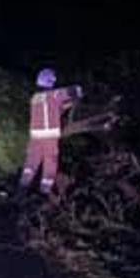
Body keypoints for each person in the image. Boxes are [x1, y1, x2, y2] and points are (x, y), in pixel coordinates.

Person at [17, 67, 81, 195]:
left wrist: (68, 105)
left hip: (35, 136)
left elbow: (54, 109)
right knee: (50, 162)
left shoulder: (35, 98)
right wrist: (78, 96)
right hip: (49, 136)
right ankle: (45, 190)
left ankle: (22, 187)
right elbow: (75, 90)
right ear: (51, 82)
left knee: (31, 162)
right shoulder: (55, 94)